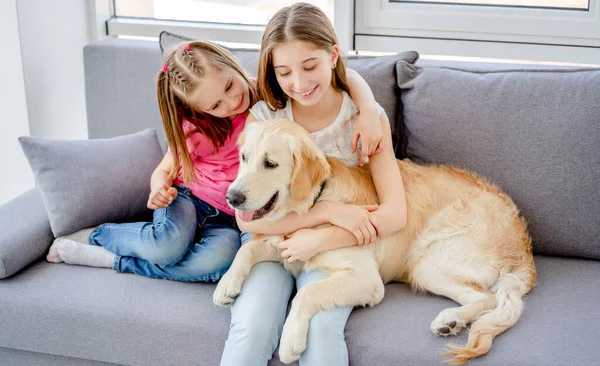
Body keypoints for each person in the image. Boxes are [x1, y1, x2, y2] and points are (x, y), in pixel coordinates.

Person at [220, 3, 408, 366]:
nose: (300, 83)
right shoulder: (264, 117)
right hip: (270, 238)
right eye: (284, 71)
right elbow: (248, 219)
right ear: (272, 72)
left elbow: (395, 213)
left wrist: (322, 238)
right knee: (251, 326)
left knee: (320, 329)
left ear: (333, 55)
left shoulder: (365, 122)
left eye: (310, 66)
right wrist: (323, 214)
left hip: (334, 249)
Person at [46, 41, 257, 282]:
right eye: (216, 105)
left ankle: (112, 260)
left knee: (219, 262)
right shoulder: (196, 128)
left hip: (229, 219)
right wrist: (159, 188)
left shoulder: (266, 99)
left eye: (230, 86)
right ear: (199, 110)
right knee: (167, 248)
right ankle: (99, 235)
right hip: (188, 199)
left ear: (231, 63)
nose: (231, 102)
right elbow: (165, 170)